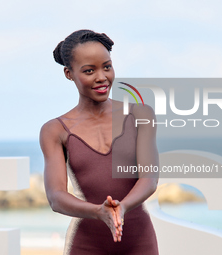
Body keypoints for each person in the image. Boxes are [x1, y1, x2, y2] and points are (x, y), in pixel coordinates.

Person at [39, 29, 159, 255]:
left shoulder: (141, 115)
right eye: (89, 71)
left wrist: (122, 207)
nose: (102, 77)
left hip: (139, 242)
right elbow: (56, 197)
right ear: (69, 73)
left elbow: (149, 178)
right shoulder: (55, 130)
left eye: (107, 66)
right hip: (87, 245)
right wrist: (98, 212)